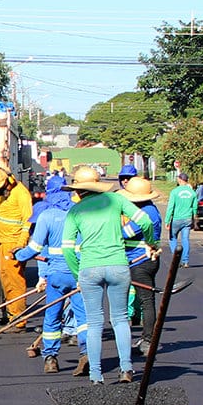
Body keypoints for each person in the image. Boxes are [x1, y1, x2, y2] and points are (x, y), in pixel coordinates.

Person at [61, 164, 146, 384]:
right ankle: (126, 368)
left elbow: (68, 248)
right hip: (118, 266)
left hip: (90, 269)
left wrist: (77, 274)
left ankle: (96, 374)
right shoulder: (116, 200)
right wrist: (153, 243)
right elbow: (144, 220)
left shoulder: (75, 211)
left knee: (94, 323)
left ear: (78, 191)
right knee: (120, 319)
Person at [16, 172, 77, 374]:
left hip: (55, 274)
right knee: (85, 318)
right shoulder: (79, 213)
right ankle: (87, 355)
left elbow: (36, 248)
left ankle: (50, 357)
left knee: (51, 315)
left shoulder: (47, 216)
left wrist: (18, 255)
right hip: (78, 274)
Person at [121, 175, 164, 357]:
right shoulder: (149, 209)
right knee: (144, 301)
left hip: (140, 262)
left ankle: (148, 340)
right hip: (142, 261)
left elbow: (125, 233)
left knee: (146, 301)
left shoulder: (145, 214)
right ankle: (146, 339)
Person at [0, 167, 35, 326]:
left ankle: (18, 319)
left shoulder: (21, 194)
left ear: (10, 180)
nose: (2, 190)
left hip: (13, 244)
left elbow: (27, 221)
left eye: (3, 187)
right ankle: (12, 314)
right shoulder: (8, 193)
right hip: (3, 243)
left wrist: (20, 244)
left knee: (15, 282)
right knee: (6, 280)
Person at [165, 173, 199, 267]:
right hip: (187, 219)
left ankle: (176, 259)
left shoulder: (175, 192)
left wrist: (167, 220)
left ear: (180, 180)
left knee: (173, 238)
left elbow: (170, 207)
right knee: (185, 239)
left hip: (176, 219)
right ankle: (186, 261)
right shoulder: (192, 192)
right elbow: (195, 207)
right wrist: (194, 218)